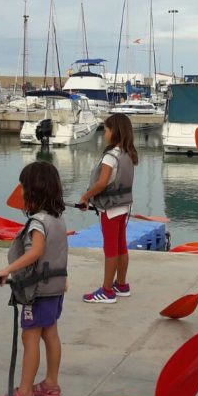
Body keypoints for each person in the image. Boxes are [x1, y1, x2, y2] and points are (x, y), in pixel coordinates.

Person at [0, 161, 68, 396]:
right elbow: (58, 253)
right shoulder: (57, 220)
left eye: (23, 187)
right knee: (51, 333)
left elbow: (36, 252)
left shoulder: (37, 223)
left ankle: (25, 393)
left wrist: (7, 270)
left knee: (30, 337)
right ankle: (50, 384)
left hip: (36, 293)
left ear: (32, 191)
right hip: (55, 289)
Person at [79, 114, 138, 304]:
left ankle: (106, 291)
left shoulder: (110, 156)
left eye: (106, 130)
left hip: (110, 210)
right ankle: (121, 284)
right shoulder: (127, 153)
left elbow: (102, 183)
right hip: (123, 207)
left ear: (114, 132)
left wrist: (86, 196)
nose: (105, 133)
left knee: (110, 249)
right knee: (121, 246)